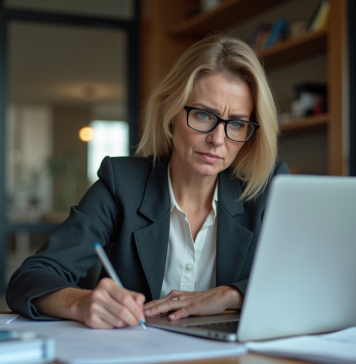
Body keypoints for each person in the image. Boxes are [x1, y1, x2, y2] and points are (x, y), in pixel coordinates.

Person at [7, 34, 288, 329]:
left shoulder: (270, 192)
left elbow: (304, 281)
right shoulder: (122, 184)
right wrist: (80, 302)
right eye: (204, 115)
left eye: (237, 124)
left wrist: (232, 295)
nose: (217, 139)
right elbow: (31, 277)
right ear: (171, 113)